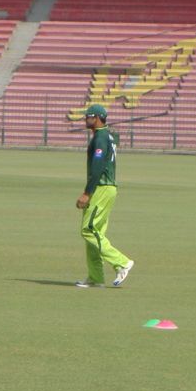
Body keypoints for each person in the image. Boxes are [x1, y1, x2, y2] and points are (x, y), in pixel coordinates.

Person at [75, 104, 134, 288]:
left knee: (88, 230)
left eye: (89, 116)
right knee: (95, 233)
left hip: (101, 188)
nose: (86, 119)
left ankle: (122, 262)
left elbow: (97, 167)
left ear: (98, 117)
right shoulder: (108, 135)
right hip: (107, 189)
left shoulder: (100, 137)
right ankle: (96, 277)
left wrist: (87, 193)